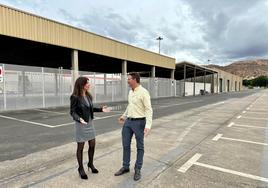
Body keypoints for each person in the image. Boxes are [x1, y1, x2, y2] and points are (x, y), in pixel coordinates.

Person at [114, 72, 153, 181]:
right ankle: (126, 167)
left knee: (140, 147)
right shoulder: (130, 92)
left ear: (135, 80)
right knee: (125, 145)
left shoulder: (144, 92)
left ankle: (138, 169)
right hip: (128, 122)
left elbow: (148, 109)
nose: (127, 81)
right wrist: (124, 116)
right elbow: (130, 105)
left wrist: (148, 125)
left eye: (129, 79)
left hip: (139, 122)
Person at [70, 76, 110, 180]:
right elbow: (72, 112)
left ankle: (90, 164)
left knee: (92, 144)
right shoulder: (75, 97)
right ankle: (81, 168)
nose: (89, 84)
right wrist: (79, 119)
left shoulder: (88, 96)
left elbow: (90, 109)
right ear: (81, 84)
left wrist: (101, 109)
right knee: (81, 147)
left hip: (90, 123)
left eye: (89, 83)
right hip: (81, 124)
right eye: (87, 83)